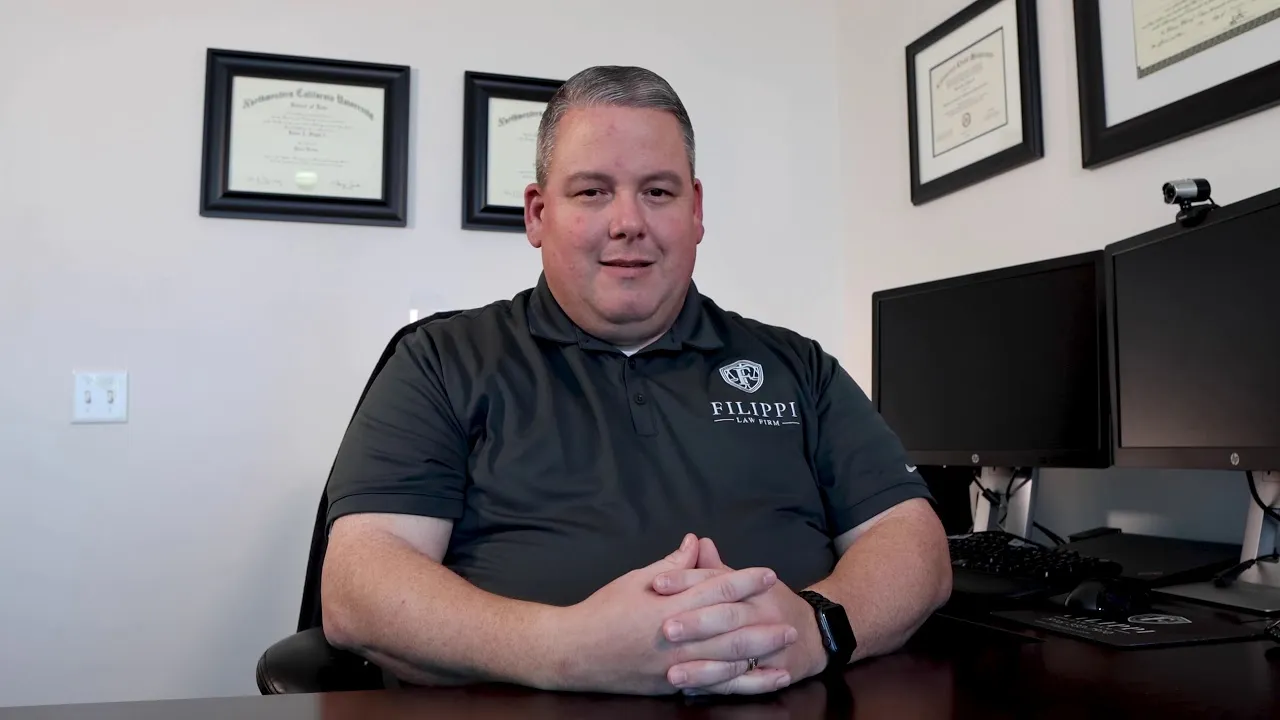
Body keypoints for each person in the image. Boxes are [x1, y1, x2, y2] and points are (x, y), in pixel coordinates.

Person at [319, 65, 951, 697]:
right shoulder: (441, 360)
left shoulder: (798, 366)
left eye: (658, 191)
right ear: (538, 215)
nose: (628, 222)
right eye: (592, 192)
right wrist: (562, 650)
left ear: (696, 210)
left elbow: (912, 542)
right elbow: (358, 584)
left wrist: (816, 628)